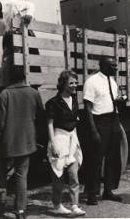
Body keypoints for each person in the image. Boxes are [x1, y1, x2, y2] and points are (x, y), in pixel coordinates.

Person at [0, 66, 44, 219]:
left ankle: (1, 202)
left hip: (7, 143)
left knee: (2, 172)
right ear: (25, 77)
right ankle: (21, 210)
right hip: (26, 142)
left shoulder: (4, 94)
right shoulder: (34, 94)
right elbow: (41, 117)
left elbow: (0, 123)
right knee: (21, 176)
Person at [83, 56, 123, 205]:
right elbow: (87, 108)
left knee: (113, 157)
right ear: (104, 66)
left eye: (115, 65)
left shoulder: (112, 81)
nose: (116, 68)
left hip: (114, 120)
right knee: (96, 159)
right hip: (100, 122)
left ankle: (108, 190)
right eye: (112, 66)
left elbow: (111, 101)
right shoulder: (92, 82)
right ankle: (92, 193)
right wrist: (93, 130)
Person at [45, 70, 86, 216]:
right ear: (63, 84)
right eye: (71, 83)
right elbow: (50, 124)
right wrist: (53, 144)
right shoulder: (53, 103)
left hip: (72, 139)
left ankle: (75, 205)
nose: (75, 85)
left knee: (74, 174)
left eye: (76, 82)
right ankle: (57, 205)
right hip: (59, 139)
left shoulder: (74, 99)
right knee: (58, 176)